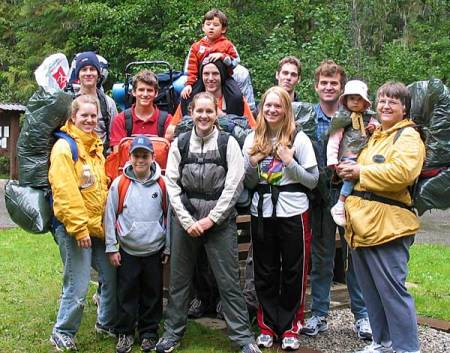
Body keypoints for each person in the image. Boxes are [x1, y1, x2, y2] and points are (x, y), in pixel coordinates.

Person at [155, 92, 261, 353]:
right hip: (185, 219)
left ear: (217, 114)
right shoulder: (180, 144)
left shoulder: (228, 143)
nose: (203, 116)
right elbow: (171, 184)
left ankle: (243, 338)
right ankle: (172, 334)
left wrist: (212, 219)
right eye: (198, 111)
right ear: (191, 112)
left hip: (220, 221)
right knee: (180, 282)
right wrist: (187, 220)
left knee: (228, 282)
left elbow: (234, 184)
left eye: (209, 111)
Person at [337, 82, 425, 353]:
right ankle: (383, 342)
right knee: (371, 290)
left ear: (404, 108)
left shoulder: (408, 137)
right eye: (383, 100)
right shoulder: (377, 135)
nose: (386, 106)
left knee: (392, 291)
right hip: (361, 227)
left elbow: (402, 174)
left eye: (393, 102)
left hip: (389, 227)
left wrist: (360, 172)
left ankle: (407, 348)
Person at [243, 86, 318, 350]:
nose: (273, 110)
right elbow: (249, 181)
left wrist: (290, 162)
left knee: (293, 270)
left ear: (286, 109)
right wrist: (255, 161)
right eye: (268, 106)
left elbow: (312, 180)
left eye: (278, 106)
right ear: (261, 108)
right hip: (261, 211)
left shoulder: (299, 139)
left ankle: (290, 326)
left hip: (293, 211)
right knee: (265, 270)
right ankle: (267, 326)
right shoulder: (252, 138)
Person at [303, 60, 372, 340]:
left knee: (356, 255)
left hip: (354, 195)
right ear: (316, 86)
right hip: (320, 196)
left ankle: (363, 315)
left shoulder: (361, 118)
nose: (328, 87)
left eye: (334, 83)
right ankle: (319, 313)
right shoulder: (309, 118)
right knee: (322, 258)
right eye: (324, 82)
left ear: (341, 88)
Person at [49, 95, 116, 351]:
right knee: (77, 284)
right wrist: (78, 229)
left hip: (96, 227)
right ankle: (63, 332)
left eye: (93, 116)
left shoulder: (95, 147)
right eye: (84, 116)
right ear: (73, 118)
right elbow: (65, 192)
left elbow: (98, 188)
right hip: (74, 229)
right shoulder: (65, 149)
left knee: (110, 275)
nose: (89, 120)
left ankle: (106, 323)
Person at [104, 135, 169, 353]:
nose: (140, 160)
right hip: (128, 251)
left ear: (152, 157)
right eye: (136, 155)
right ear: (130, 157)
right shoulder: (119, 184)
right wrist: (112, 248)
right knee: (127, 293)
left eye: (145, 155)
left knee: (152, 294)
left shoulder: (162, 184)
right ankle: (125, 333)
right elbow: (110, 216)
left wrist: (167, 247)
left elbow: (168, 218)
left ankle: (149, 333)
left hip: (154, 250)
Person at [327, 79, 379, 226]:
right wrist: (332, 160)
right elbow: (334, 139)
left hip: (365, 158)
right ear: (346, 100)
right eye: (351, 99)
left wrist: (374, 129)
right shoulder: (342, 119)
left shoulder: (370, 118)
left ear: (365, 102)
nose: (355, 102)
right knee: (350, 176)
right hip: (348, 157)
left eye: (359, 99)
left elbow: (380, 130)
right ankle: (340, 203)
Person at [165, 59, 256, 140]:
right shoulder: (190, 98)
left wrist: (223, 118)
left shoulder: (236, 100)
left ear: (222, 75)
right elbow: (169, 134)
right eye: (206, 74)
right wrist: (198, 122)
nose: (210, 78)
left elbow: (254, 133)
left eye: (215, 74)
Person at [180, 8, 242, 113]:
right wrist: (189, 84)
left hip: (225, 79)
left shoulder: (227, 44)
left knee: (236, 96)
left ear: (223, 29)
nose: (211, 27)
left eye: (215, 25)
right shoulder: (197, 47)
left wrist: (223, 56)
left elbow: (235, 61)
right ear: (203, 27)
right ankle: (188, 121)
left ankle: (233, 119)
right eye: (208, 24)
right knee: (187, 96)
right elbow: (191, 68)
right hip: (202, 79)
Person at [110, 69, 172, 150]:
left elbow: (171, 154)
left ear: (156, 93)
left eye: (149, 90)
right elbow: (117, 154)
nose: (145, 94)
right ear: (133, 92)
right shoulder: (121, 120)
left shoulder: (167, 120)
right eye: (141, 90)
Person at [74, 51, 118, 153]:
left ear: (98, 74)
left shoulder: (108, 103)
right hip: (77, 157)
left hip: (101, 157)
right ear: (78, 75)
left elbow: (115, 138)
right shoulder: (69, 102)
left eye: (92, 69)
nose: (88, 73)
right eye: (84, 70)